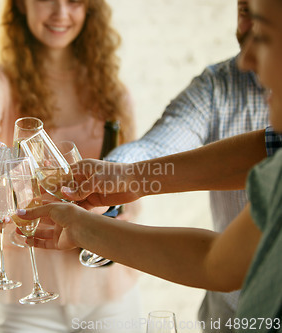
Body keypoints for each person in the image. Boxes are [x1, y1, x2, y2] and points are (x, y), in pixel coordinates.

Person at [20, 0, 282, 331]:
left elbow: (218, 266)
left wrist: (86, 223)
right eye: (245, 14)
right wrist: (122, 177)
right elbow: (260, 151)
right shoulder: (227, 95)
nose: (246, 59)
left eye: (268, 36)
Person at [0, 0, 138, 331]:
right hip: (26, 284)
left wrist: (119, 210)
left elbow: (133, 189)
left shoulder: (114, 93)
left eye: (74, 1)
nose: (61, 13)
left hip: (107, 288)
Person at [105, 0, 268, 330]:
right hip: (230, 315)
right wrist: (111, 178)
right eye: (243, 12)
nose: (247, 56)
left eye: (266, 24)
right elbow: (157, 148)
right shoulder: (217, 86)